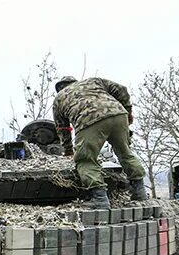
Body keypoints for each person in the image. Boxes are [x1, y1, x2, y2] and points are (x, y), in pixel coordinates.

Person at [52, 76, 148, 208]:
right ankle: (140, 192)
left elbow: (62, 128)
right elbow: (122, 90)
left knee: (85, 159)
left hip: (88, 120)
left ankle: (99, 198)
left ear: (59, 88)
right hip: (118, 114)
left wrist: (68, 149)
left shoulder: (59, 98)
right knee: (125, 152)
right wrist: (128, 112)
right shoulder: (93, 81)